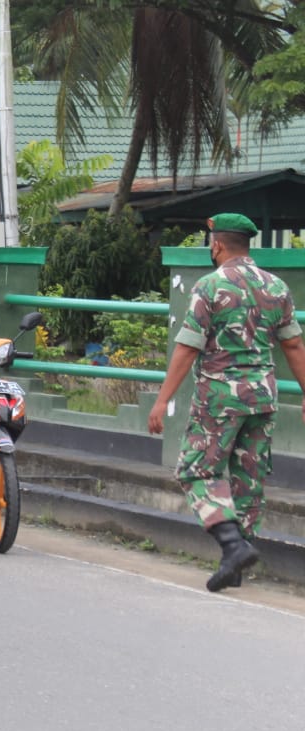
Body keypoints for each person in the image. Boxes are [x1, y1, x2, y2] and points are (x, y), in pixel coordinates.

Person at [148, 212, 305, 593]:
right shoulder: (276, 286)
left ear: (217, 244)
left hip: (220, 398)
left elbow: (188, 347)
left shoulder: (210, 285)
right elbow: (294, 345)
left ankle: (233, 546)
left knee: (194, 471)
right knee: (247, 480)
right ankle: (234, 565)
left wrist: (162, 400)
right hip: (263, 396)